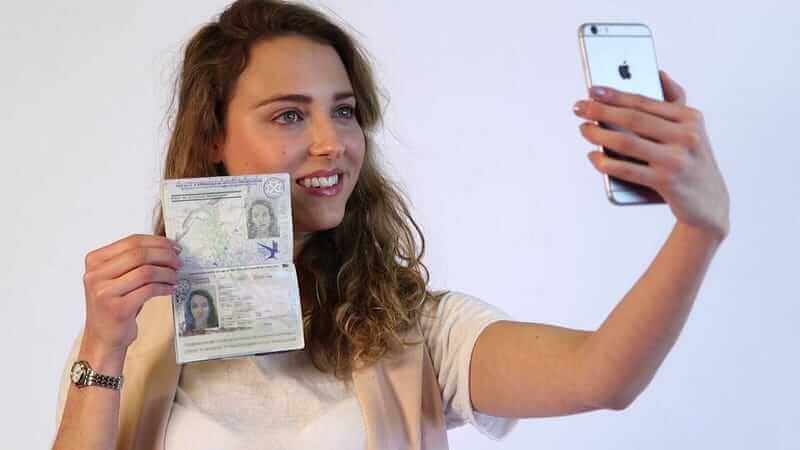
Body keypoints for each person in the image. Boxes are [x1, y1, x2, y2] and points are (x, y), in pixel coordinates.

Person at [52, 1, 729, 449]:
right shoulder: (135, 333)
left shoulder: (413, 330)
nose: (332, 143)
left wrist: (698, 232)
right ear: (212, 140)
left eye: (344, 111)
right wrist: (103, 349)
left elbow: (601, 376)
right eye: (290, 115)